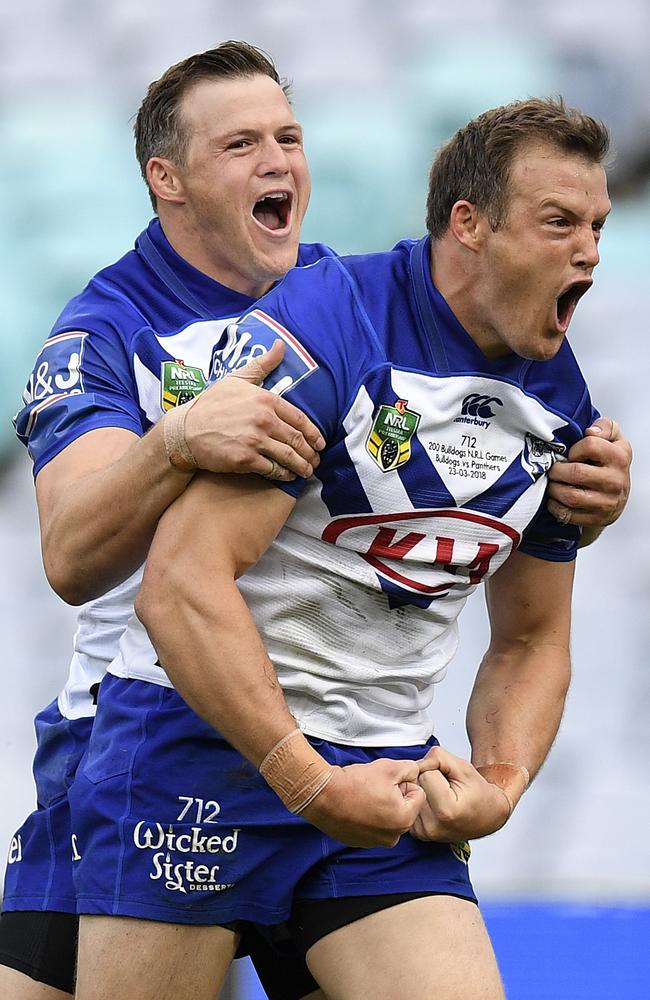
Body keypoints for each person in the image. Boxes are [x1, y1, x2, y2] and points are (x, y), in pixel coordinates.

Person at [0, 45, 630, 999]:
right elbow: (74, 557)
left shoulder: (348, 301)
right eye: (242, 143)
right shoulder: (104, 332)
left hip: (362, 758)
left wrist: (575, 495)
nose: (279, 162)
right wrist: (174, 444)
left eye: (289, 137)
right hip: (152, 735)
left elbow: (498, 556)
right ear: (164, 180)